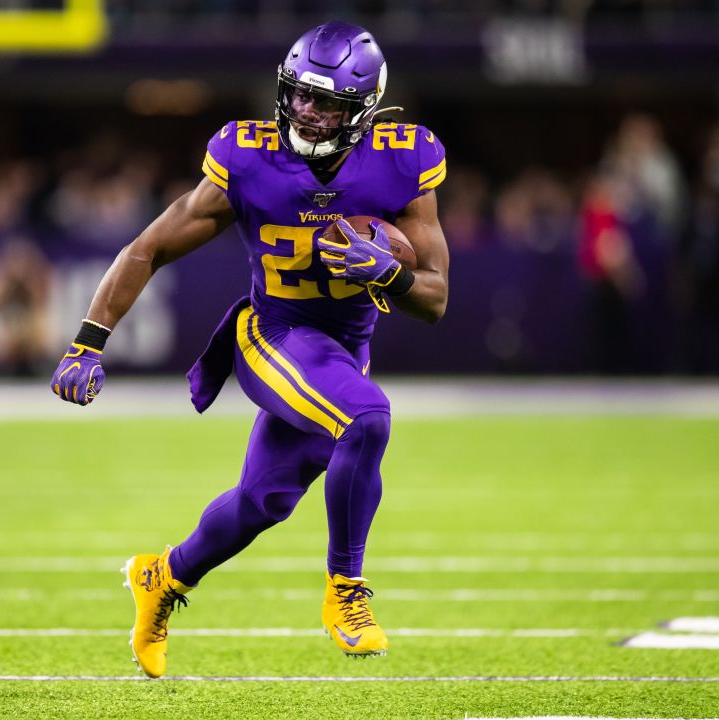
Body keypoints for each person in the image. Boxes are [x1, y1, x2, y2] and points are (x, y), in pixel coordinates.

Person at [48, 21, 449, 678]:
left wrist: (388, 274)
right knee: (367, 418)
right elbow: (148, 247)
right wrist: (87, 342)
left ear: (365, 110)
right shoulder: (248, 156)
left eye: (327, 103)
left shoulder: (404, 160)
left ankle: (162, 577)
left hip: (341, 355)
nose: (307, 111)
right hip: (274, 337)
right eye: (300, 94)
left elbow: (434, 299)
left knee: (262, 501)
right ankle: (346, 592)